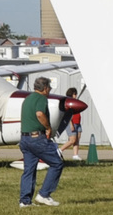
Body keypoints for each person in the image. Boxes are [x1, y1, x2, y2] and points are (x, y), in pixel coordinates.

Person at [17, 76, 64, 207]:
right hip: (37, 138)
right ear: (44, 88)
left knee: (29, 170)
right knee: (57, 163)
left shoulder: (28, 99)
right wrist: (48, 127)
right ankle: (44, 194)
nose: (50, 90)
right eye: (49, 87)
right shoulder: (41, 99)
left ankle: (25, 201)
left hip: (24, 139)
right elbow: (39, 114)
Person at [59, 87, 88, 159]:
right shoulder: (69, 103)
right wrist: (71, 124)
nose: (76, 95)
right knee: (72, 140)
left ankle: (75, 155)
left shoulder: (75, 102)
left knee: (77, 140)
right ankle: (59, 150)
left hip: (78, 123)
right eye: (75, 94)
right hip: (71, 123)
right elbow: (68, 115)